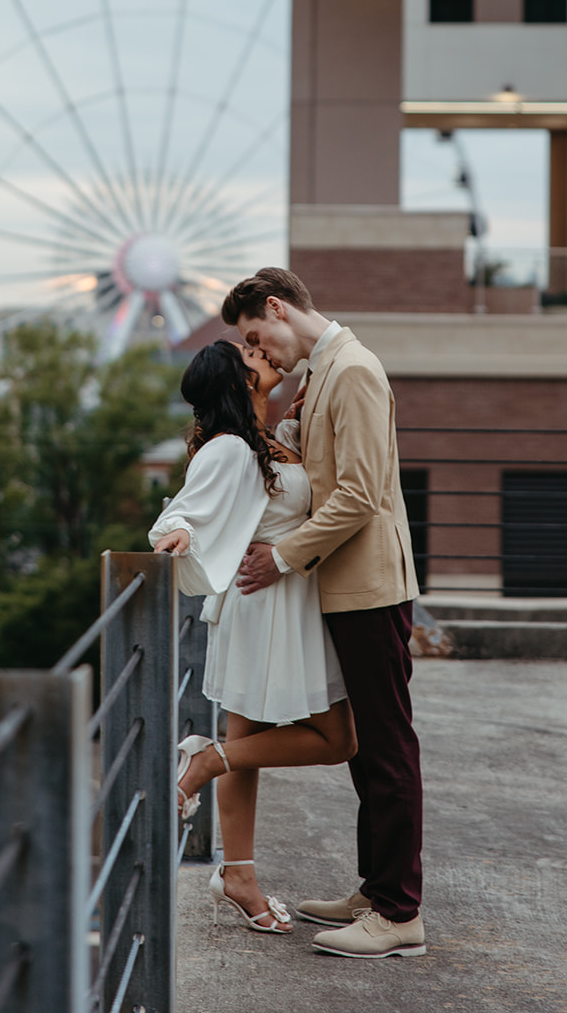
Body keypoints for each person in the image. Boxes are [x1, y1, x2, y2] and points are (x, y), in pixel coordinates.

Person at [222, 266, 425, 960]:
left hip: (368, 585)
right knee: (366, 750)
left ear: (277, 309)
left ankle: (399, 914)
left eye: (256, 335)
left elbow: (360, 495)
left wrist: (280, 558)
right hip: (339, 585)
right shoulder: (319, 374)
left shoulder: (354, 370)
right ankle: (377, 889)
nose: (260, 352)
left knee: (388, 747)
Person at [149, 337, 356, 937]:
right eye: (250, 355)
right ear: (240, 382)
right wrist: (179, 532)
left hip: (277, 602)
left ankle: (237, 872)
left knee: (251, 743)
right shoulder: (233, 449)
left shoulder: (268, 442)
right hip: (265, 605)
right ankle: (207, 760)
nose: (261, 351)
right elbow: (182, 509)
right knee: (337, 738)